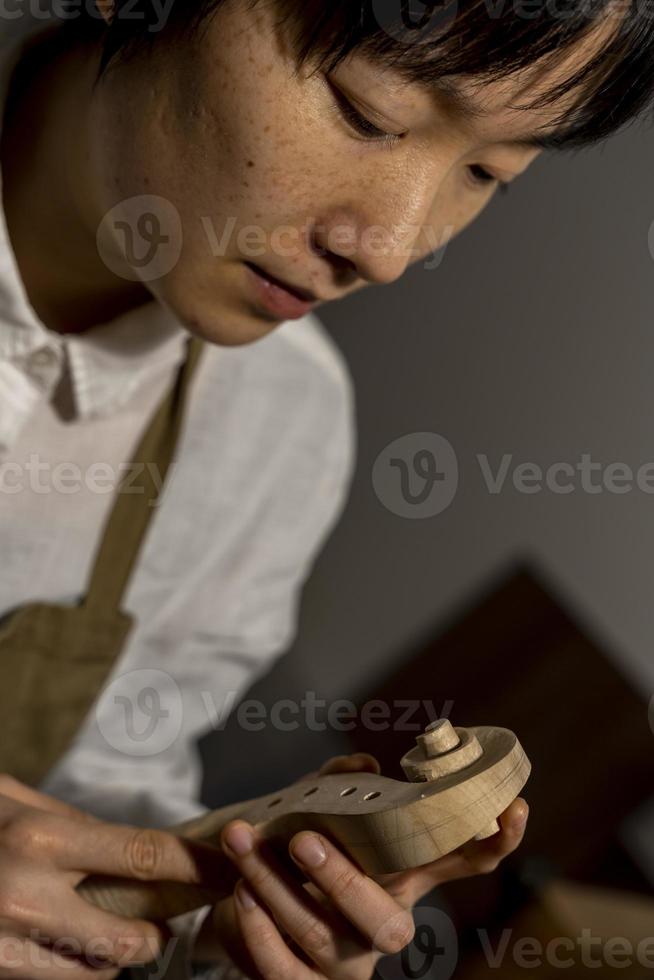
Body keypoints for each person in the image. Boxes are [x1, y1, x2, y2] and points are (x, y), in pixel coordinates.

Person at [0, 0, 650, 978]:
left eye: (487, 173)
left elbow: (108, 785)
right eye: (368, 112)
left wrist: (205, 927)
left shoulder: (278, 427)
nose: (390, 248)